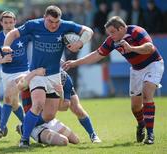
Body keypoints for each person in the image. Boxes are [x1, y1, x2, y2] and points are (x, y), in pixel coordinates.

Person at [2, 5, 93, 148]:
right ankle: (24, 140)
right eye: (50, 21)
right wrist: (6, 46)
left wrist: (80, 43)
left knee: (50, 115)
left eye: (57, 22)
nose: (54, 25)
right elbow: (13, 34)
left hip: (55, 75)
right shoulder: (34, 25)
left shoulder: (65, 26)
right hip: (38, 73)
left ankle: (25, 128)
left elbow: (89, 31)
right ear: (44, 17)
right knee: (38, 104)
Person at [63, 16, 164, 144]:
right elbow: (97, 55)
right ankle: (141, 124)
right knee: (135, 107)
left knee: (147, 94)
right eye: (109, 33)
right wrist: (75, 63)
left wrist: (132, 48)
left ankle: (150, 135)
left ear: (121, 28)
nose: (111, 36)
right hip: (136, 69)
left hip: (153, 64)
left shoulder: (136, 31)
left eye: (112, 32)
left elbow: (150, 48)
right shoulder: (112, 41)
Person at [18, 67, 101, 144]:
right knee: (63, 141)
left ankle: (93, 134)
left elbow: (63, 108)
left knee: (76, 140)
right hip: (35, 121)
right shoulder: (37, 74)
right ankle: (25, 128)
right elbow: (20, 86)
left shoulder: (64, 79)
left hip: (50, 120)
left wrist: (60, 94)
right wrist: (33, 73)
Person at [0, 11, 31, 138]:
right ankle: (27, 126)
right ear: (1, 23)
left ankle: (1, 128)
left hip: (23, 72)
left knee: (7, 96)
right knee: (13, 103)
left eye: (11, 22)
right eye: (5, 22)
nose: (8, 25)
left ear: (15, 22)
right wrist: (2, 60)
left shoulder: (22, 34)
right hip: (7, 74)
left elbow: (37, 38)